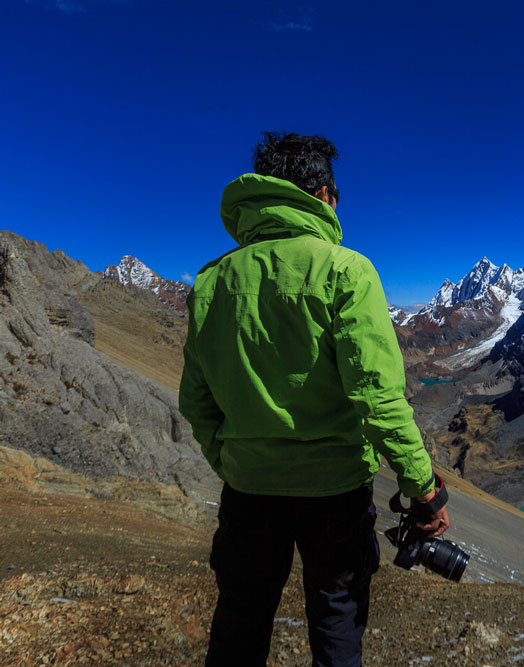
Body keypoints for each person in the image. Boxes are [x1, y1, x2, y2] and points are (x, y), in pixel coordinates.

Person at [179, 131, 449, 666]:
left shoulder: (210, 283)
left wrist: (237, 462)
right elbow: (380, 400)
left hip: (249, 493)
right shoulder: (347, 271)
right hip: (337, 495)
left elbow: (197, 402)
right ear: (324, 195)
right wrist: (422, 490)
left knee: (238, 627)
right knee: (336, 629)